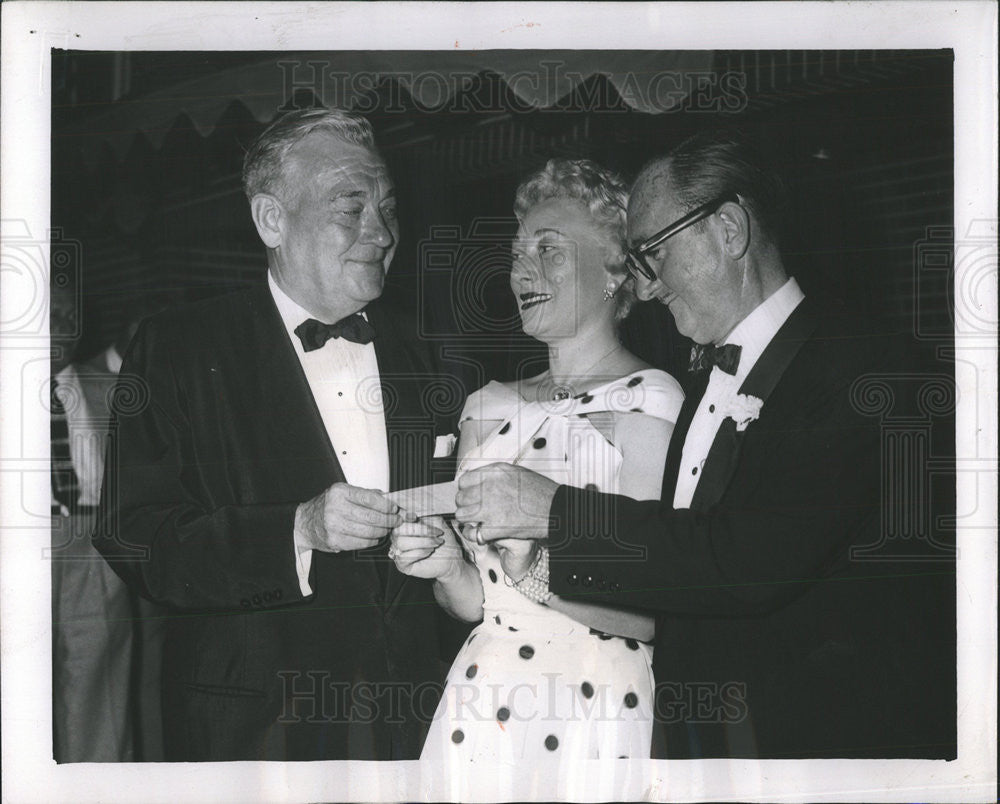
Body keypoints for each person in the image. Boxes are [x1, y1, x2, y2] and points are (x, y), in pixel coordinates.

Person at [453, 130, 955, 759]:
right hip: (708, 738)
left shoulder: (860, 367)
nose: (651, 284)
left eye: (654, 253)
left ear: (729, 230)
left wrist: (552, 512)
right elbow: (680, 556)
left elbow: (751, 562)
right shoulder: (706, 378)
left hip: (826, 740)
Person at [93, 108, 459, 761]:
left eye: (388, 209)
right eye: (351, 209)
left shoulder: (429, 351)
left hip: (416, 721)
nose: (380, 232)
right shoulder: (179, 345)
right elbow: (133, 533)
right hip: (258, 731)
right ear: (271, 220)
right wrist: (295, 529)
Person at [388, 159, 684, 785]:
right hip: (484, 695)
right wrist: (447, 566)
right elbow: (477, 603)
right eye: (519, 253)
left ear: (614, 269)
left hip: (591, 703)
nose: (523, 270)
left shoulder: (649, 400)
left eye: (549, 250)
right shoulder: (484, 406)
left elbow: (648, 614)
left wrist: (531, 562)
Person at [50, 282, 135, 762]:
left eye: (68, 316)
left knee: (95, 679)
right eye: (48, 315)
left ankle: (96, 781)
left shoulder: (101, 383)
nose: (59, 326)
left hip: (93, 546)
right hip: (20, 541)